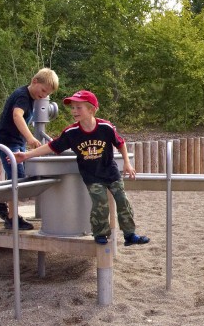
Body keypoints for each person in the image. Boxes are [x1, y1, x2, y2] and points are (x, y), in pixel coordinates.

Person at [14, 90, 150, 246]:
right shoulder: (72, 132)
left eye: (79, 108)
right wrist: (27, 155)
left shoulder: (105, 127)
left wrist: (127, 162)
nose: (74, 111)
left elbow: (120, 143)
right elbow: (51, 146)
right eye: (73, 108)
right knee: (100, 202)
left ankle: (129, 235)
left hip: (110, 172)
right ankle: (100, 233)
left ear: (92, 110)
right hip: (91, 175)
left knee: (122, 200)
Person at [0, 67, 59, 230]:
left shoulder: (32, 97)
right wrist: (30, 138)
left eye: (47, 94)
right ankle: (11, 218)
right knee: (18, 178)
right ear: (34, 81)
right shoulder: (22, 96)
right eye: (42, 91)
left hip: (16, 141)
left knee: (17, 176)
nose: (43, 96)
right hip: (7, 141)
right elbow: (17, 116)